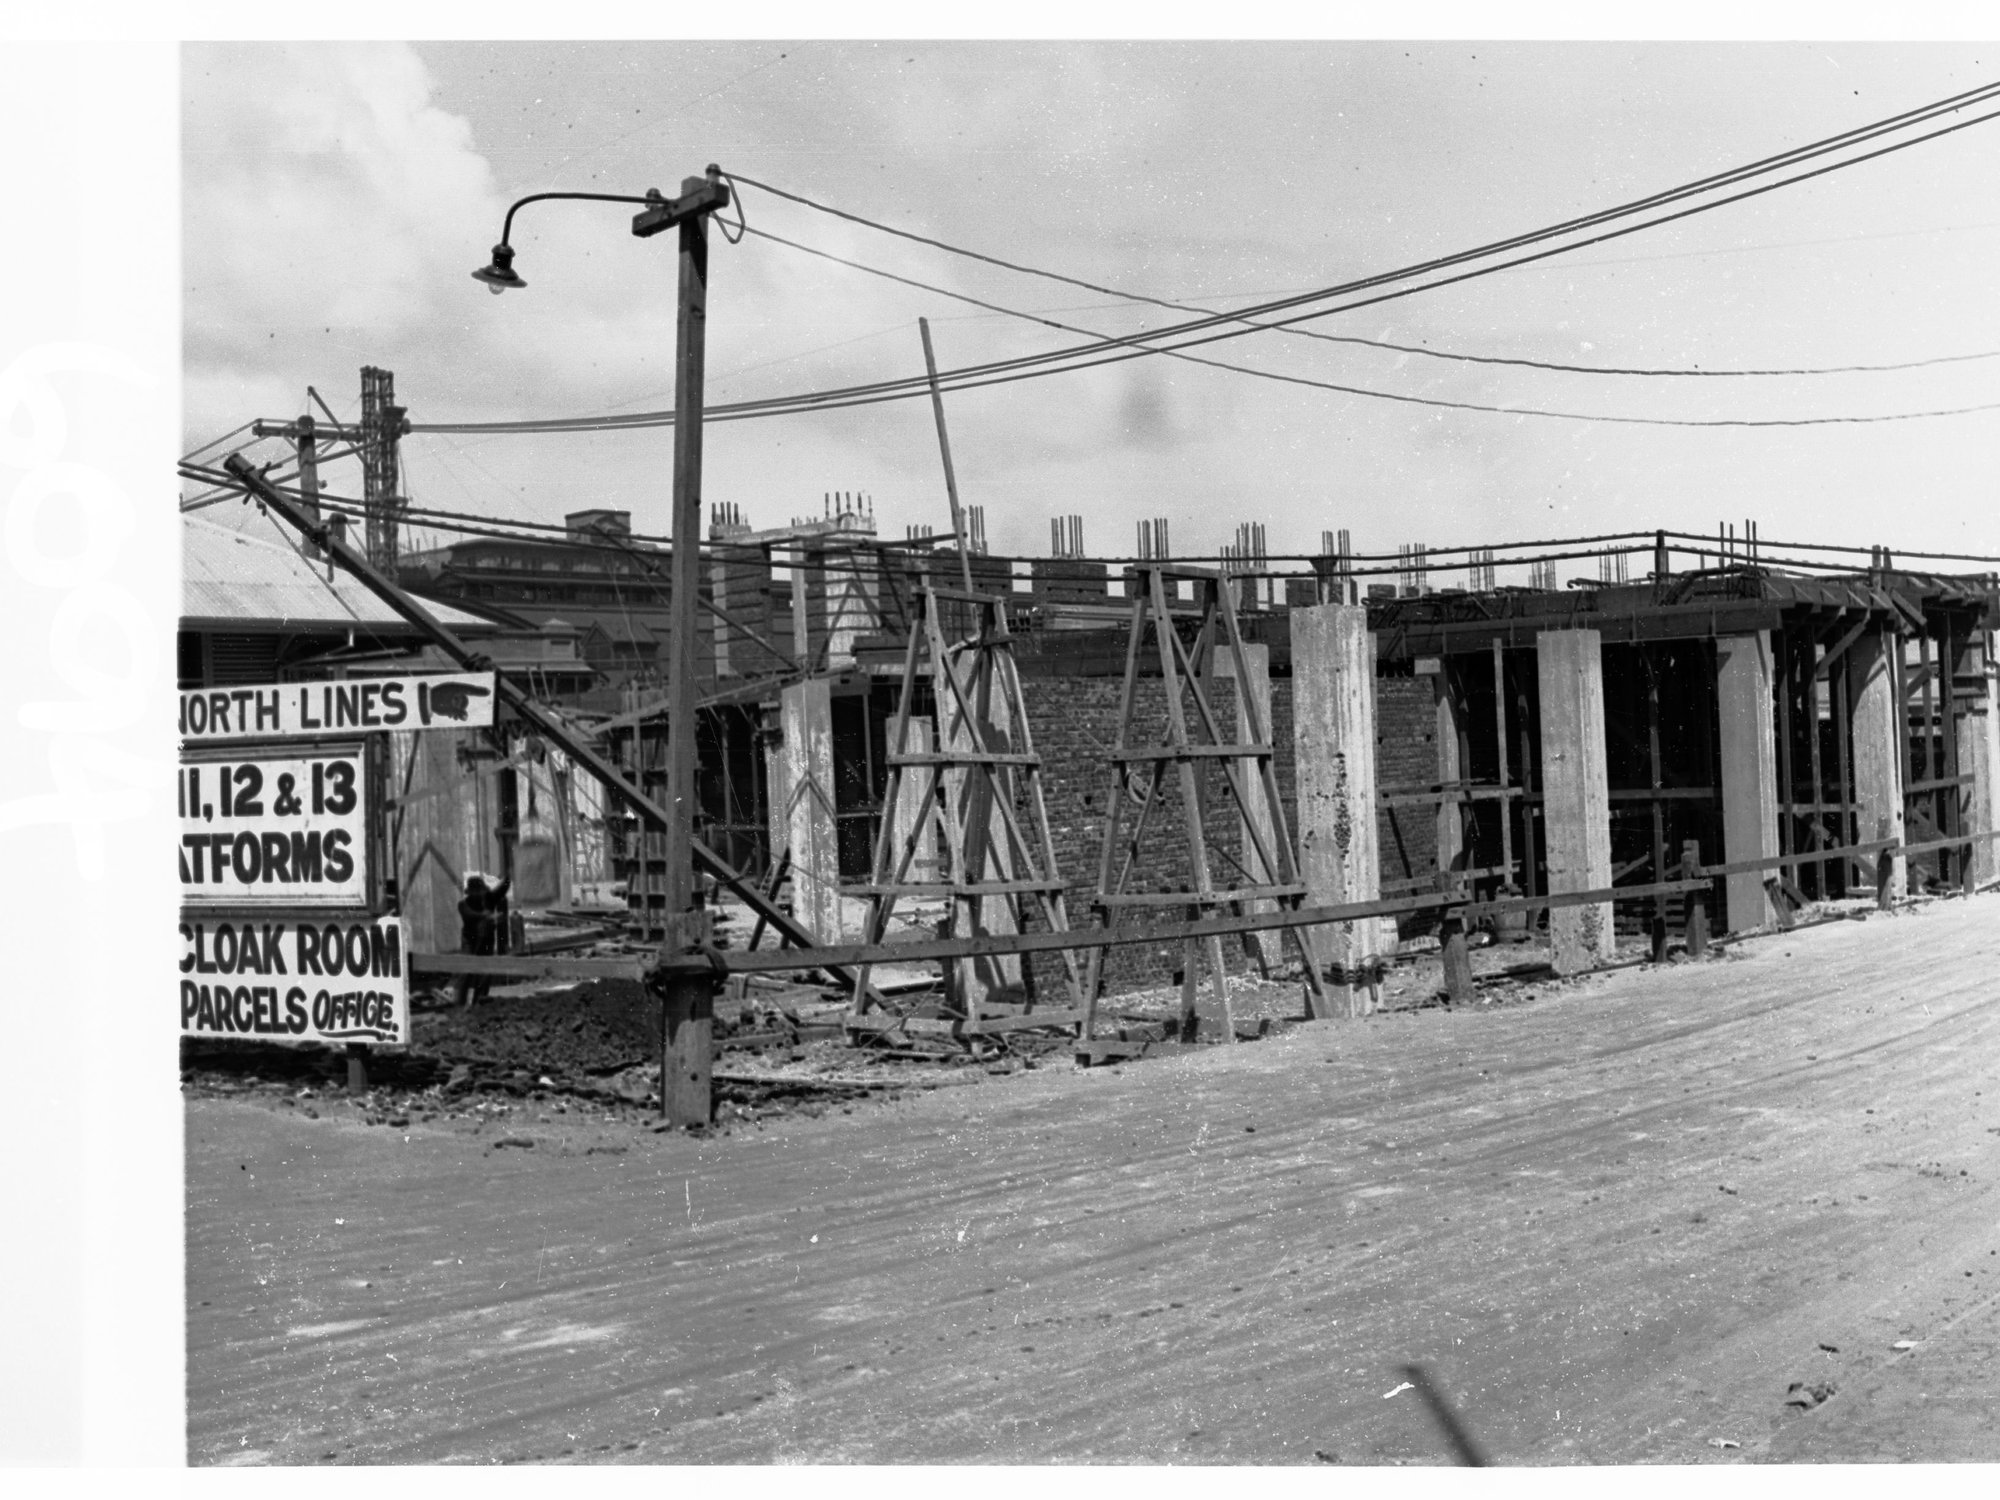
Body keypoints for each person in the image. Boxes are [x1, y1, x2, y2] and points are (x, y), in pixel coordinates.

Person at [454, 871, 513, 1008]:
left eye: (480, 891)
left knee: (485, 970)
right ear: (470, 892)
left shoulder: (489, 899)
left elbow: (501, 890)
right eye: (476, 892)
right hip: (470, 939)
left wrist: (508, 875)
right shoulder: (463, 904)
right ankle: (460, 1003)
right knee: (467, 969)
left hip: (486, 940)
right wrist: (487, 916)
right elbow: (470, 915)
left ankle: (479, 1001)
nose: (479, 895)